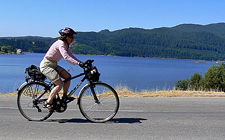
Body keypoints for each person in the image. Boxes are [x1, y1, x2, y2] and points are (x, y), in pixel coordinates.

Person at [40, 27, 82, 112]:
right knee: (59, 84)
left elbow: (71, 56)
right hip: (46, 65)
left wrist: (82, 63)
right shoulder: (61, 44)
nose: (73, 39)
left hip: (53, 64)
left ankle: (64, 97)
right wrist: (78, 63)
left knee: (68, 77)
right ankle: (48, 102)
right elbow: (66, 57)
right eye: (72, 37)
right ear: (66, 37)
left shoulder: (66, 45)